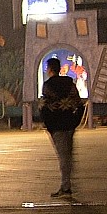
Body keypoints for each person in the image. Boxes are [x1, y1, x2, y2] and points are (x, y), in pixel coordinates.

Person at [39, 57, 84, 199]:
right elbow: (79, 104)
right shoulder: (70, 84)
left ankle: (66, 186)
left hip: (56, 125)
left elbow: (44, 106)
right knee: (68, 154)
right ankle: (67, 183)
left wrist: (47, 124)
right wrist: (75, 121)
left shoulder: (47, 85)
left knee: (63, 155)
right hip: (69, 123)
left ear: (50, 69)